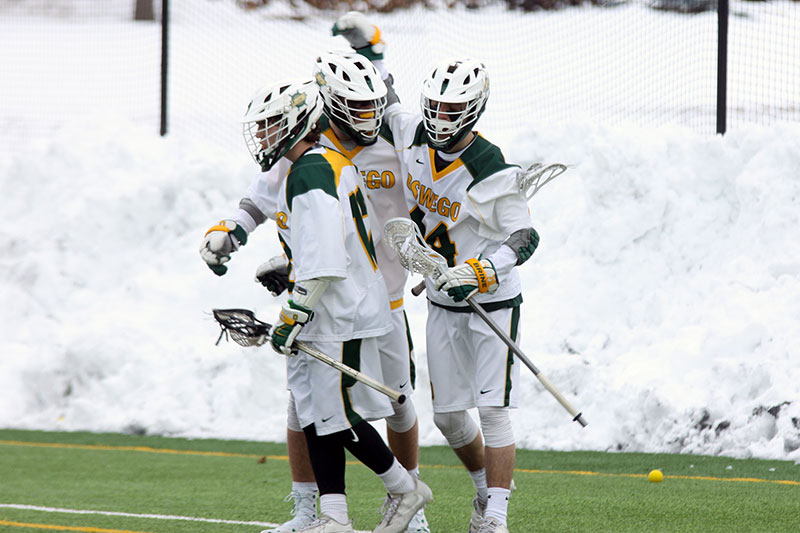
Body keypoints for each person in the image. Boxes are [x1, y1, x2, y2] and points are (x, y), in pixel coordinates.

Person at [200, 51, 429, 533]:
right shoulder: (307, 162)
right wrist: (237, 235)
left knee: (337, 413)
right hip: (332, 306)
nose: (262, 135)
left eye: (270, 125)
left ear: (297, 123)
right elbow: (285, 220)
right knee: (315, 410)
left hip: (340, 308)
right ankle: (331, 516)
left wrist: (294, 311)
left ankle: (406, 492)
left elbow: (326, 256)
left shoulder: (312, 170)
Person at [334, 13, 540, 533]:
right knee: (449, 416)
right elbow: (381, 94)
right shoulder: (412, 132)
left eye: (453, 109)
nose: (441, 116)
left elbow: (525, 237)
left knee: (492, 410)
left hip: (490, 298)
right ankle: (480, 494)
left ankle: (496, 517)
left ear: (474, 111)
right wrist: (370, 47)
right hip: (440, 299)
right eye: (437, 105)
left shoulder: (492, 169)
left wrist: (481, 269)